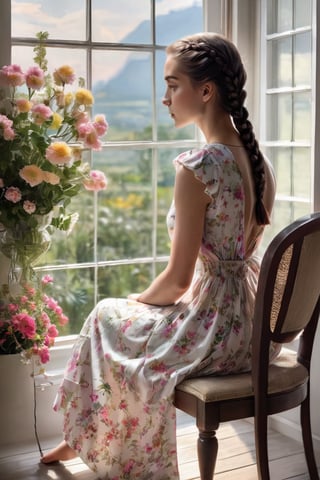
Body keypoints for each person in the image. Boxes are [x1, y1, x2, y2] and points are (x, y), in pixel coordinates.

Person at [41, 32, 279, 479]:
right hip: (251, 327)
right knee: (118, 318)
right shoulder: (259, 162)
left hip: (212, 330)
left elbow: (176, 282)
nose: (165, 97)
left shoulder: (200, 167)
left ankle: (87, 440)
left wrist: (136, 302)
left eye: (173, 85)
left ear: (205, 91)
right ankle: (85, 438)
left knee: (105, 314)